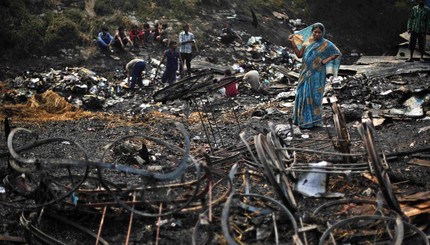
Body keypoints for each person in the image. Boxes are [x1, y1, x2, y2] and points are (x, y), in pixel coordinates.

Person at [288, 23, 341, 128]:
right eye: (315, 32)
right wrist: (293, 43)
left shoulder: (326, 44)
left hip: (317, 73)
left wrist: (327, 60)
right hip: (305, 72)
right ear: (312, 32)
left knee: (314, 96)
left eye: (319, 32)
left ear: (323, 33)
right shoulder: (307, 42)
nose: (317, 34)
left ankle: (314, 121)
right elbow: (299, 55)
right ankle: (301, 120)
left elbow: (337, 53)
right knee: (301, 94)